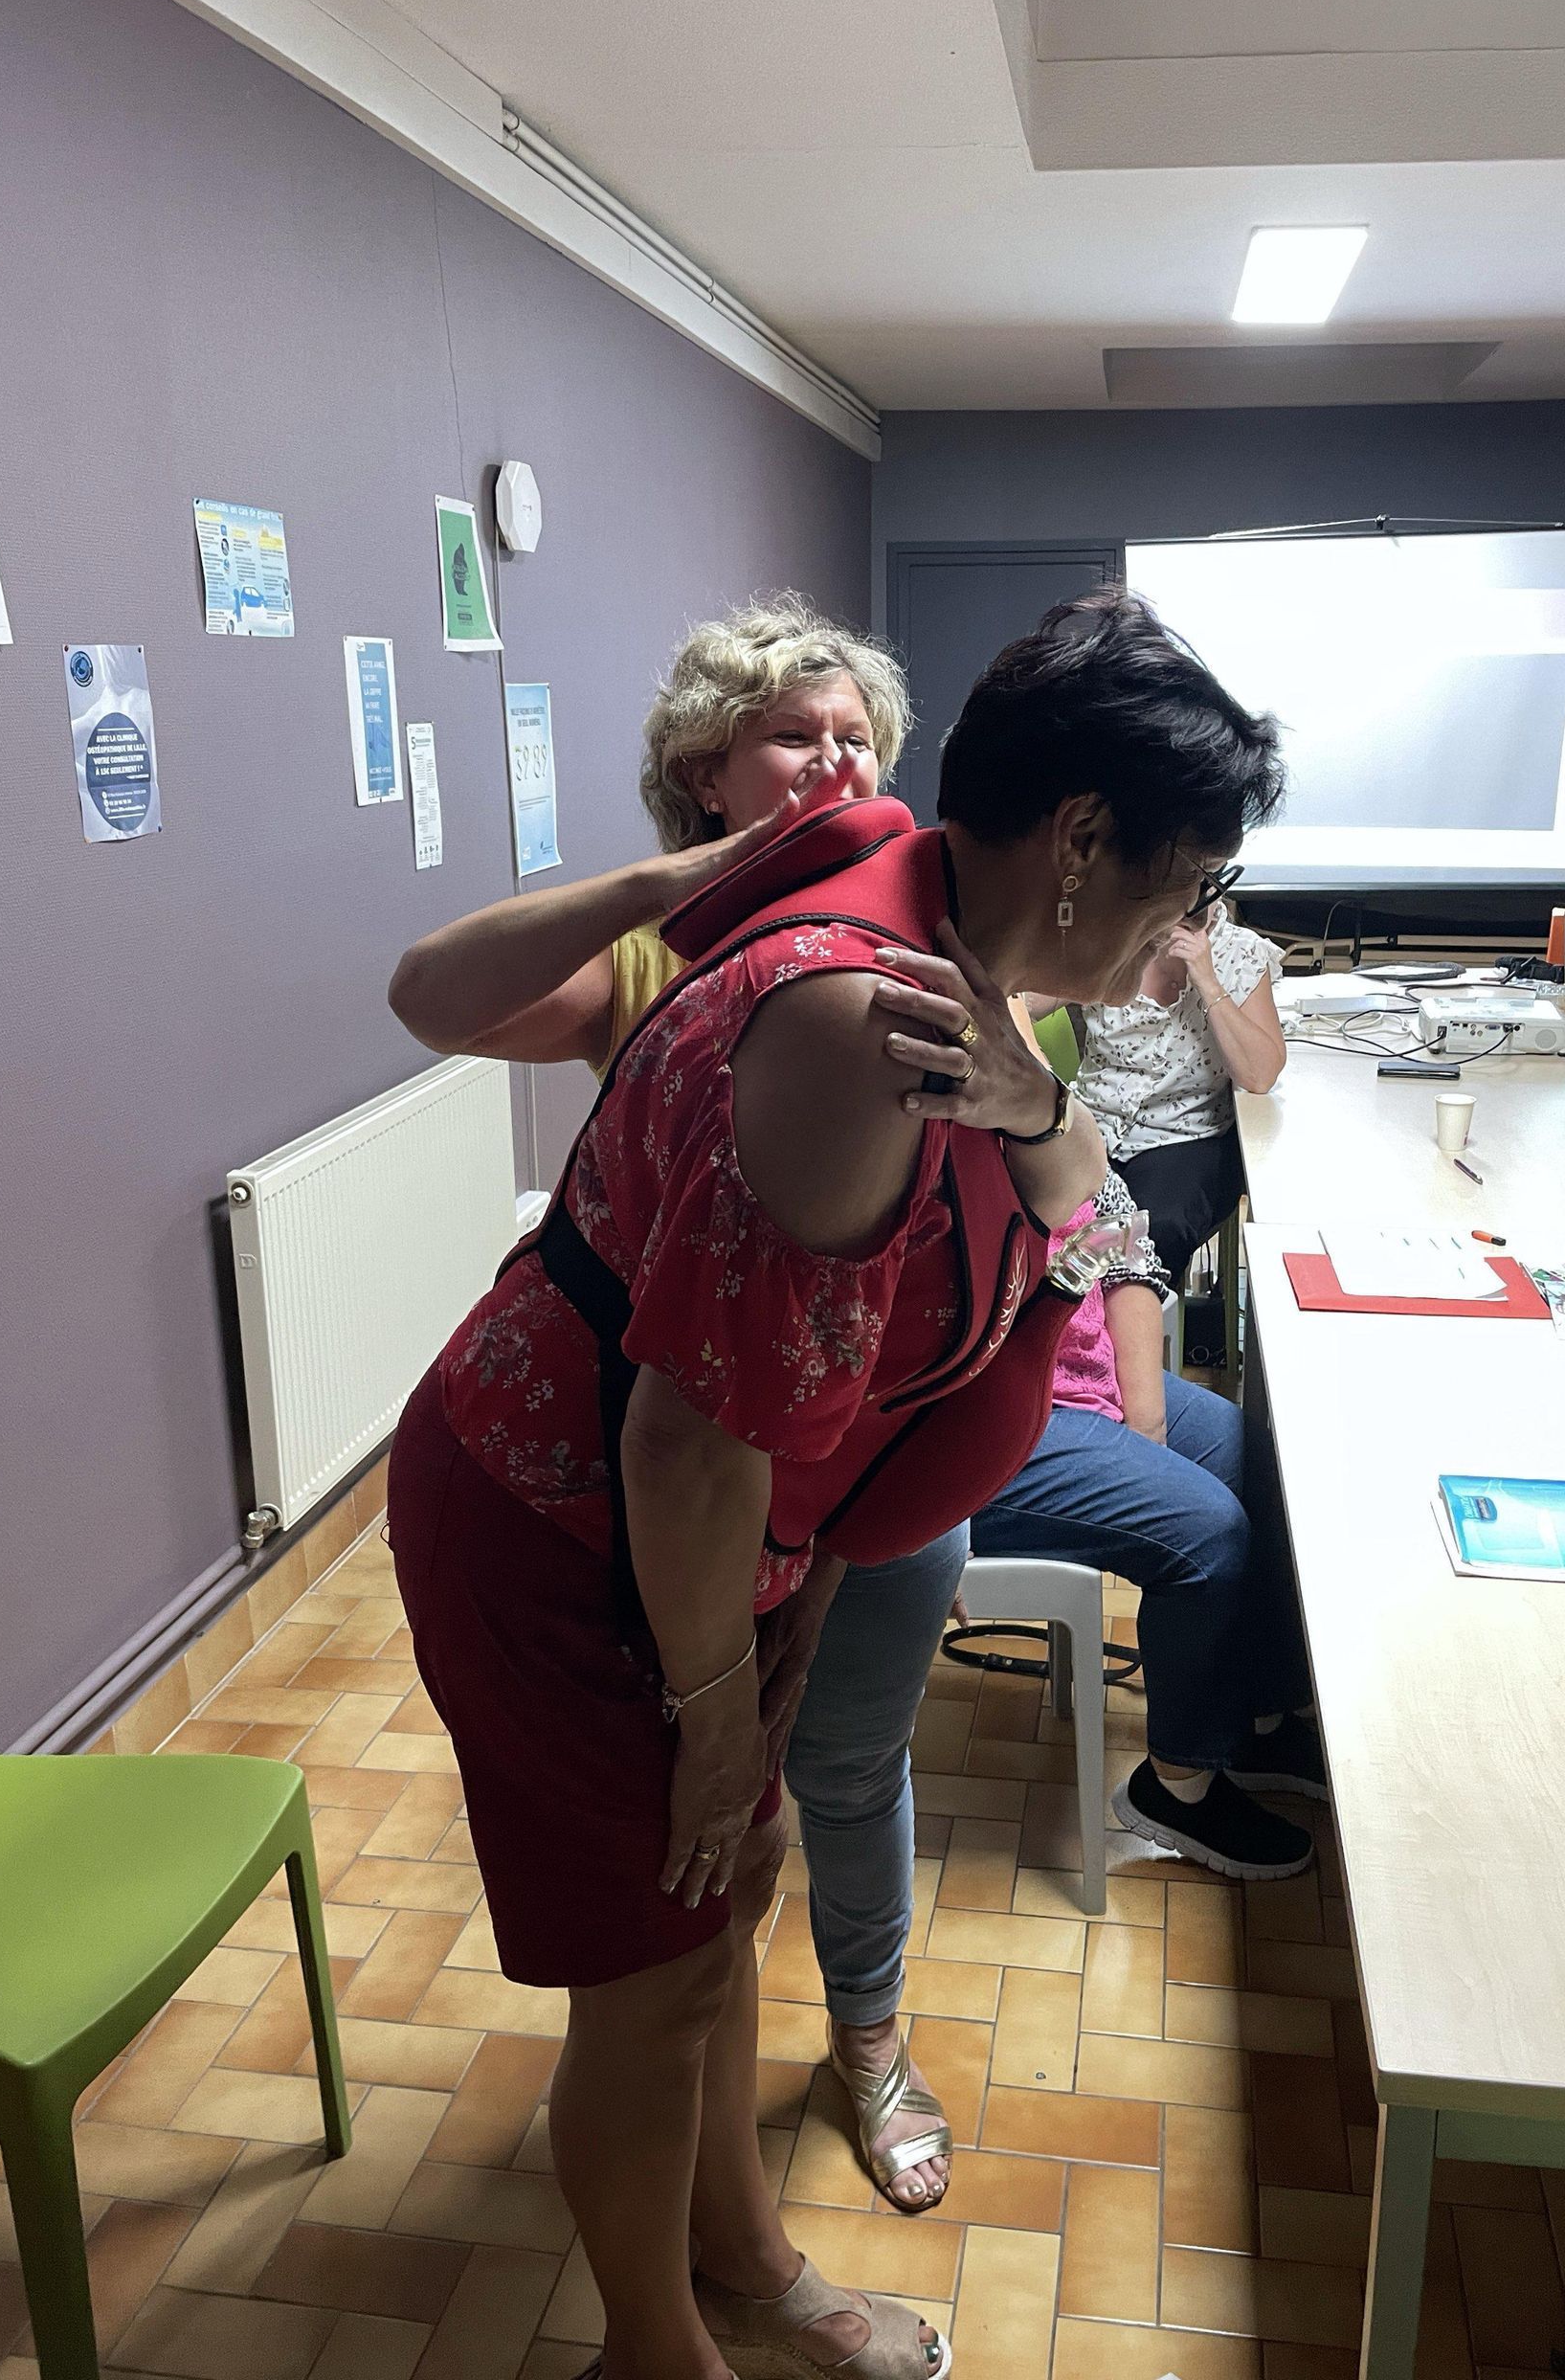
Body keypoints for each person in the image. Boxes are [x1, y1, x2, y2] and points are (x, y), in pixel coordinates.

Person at [384, 587, 1284, 2380]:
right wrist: (720, 1710)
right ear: (1082, 839)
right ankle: (658, 2347)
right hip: (566, 1535)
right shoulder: (852, 1027)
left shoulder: (970, 981)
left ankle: (740, 2261)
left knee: (730, 1911)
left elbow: (1046, 1195)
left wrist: (1040, 1115)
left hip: (715, 1545)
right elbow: (684, 1442)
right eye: (1191, 886)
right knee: (654, 1981)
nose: (1194, 934)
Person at [392, 600, 966, 2213]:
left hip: (864, 1470)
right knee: (709, 1842)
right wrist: (684, 885)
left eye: (856, 735)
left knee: (837, 1776)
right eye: (797, 732)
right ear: (707, 770)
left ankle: (869, 2045)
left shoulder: (922, 940)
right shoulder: (657, 949)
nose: (838, 758)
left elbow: (1025, 1186)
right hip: (689, 1485)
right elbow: (429, 996)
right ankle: (706, 2195)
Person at [969, 1165, 1322, 1877]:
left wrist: (1147, 1422)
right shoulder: (908, 1115)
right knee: (1206, 1531)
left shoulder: (1026, 1083)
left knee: (1252, 1455)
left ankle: (1248, 1720)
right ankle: (1178, 1786)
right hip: (982, 1422)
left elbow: (1122, 1232)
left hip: (1076, 1373)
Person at [1070, 892, 1287, 1284]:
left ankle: (1131, 1331)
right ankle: (1072, 1328)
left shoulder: (1240, 952)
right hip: (1094, 1122)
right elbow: (1020, 994)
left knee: (1152, 1232)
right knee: (1046, 1212)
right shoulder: (1108, 932)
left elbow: (1260, 1076)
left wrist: (1207, 980)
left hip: (1184, 1136)